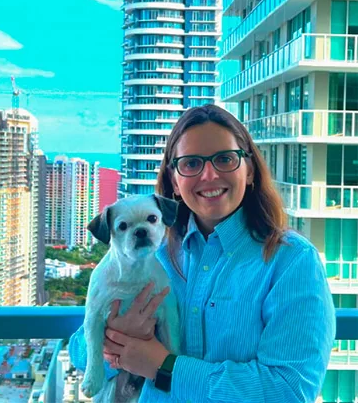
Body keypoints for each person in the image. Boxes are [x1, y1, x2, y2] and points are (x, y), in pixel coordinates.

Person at [69, 104, 336, 402]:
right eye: (192, 163)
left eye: (225, 159)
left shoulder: (292, 262)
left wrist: (165, 367)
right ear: (175, 180)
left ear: (249, 170)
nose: (209, 175)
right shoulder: (151, 253)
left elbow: (289, 390)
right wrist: (114, 335)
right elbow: (80, 355)